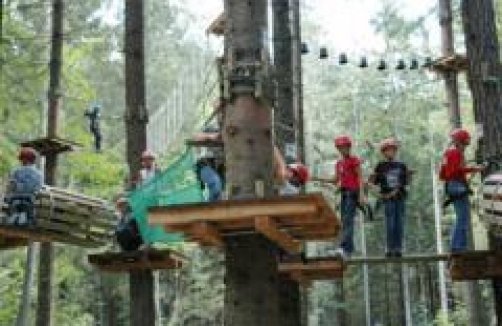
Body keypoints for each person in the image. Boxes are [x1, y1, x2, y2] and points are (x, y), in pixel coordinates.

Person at [439, 128, 483, 252]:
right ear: (460, 142)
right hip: (456, 185)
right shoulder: (456, 153)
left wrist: (467, 170)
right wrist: (473, 169)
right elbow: (455, 171)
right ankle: (457, 246)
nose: (465, 147)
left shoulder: (447, 153)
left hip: (451, 185)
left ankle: (459, 246)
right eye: (465, 144)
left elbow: (442, 174)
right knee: (462, 217)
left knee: (461, 216)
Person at [369, 138, 409, 257]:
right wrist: (371, 178)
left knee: (399, 223)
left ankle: (398, 248)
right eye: (388, 150)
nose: (391, 152)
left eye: (392, 150)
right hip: (387, 198)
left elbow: (405, 182)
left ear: (395, 151)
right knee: (390, 223)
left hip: (400, 197)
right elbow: (373, 182)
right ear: (384, 152)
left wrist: (408, 176)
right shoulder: (380, 166)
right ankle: (390, 247)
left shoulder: (401, 165)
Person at [331, 135, 365, 258]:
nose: (342, 150)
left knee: (347, 220)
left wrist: (361, 194)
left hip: (353, 192)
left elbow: (360, 177)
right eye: (340, 147)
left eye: (344, 147)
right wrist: (317, 178)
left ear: (349, 147)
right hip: (344, 193)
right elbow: (335, 180)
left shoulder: (354, 160)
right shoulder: (339, 163)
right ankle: (346, 249)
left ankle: (345, 249)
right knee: (344, 221)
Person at [5, 147, 43, 226]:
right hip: (30, 202)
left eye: (21, 158)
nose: (20, 161)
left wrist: (7, 198)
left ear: (24, 159)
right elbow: (38, 190)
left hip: (15, 201)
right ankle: (24, 218)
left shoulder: (16, 171)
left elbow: (11, 187)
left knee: (10, 219)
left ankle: (15, 217)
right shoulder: (39, 174)